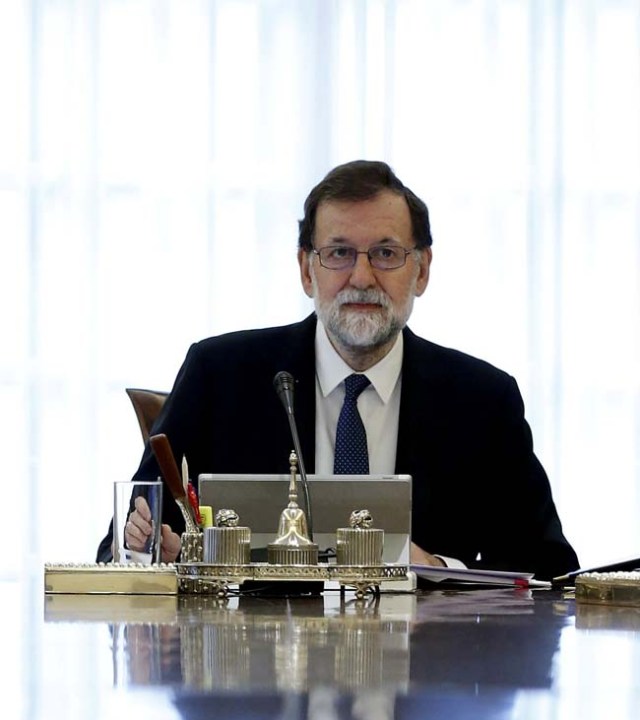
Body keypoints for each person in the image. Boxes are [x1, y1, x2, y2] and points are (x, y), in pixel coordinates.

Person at [98, 160, 578, 580]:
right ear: (308, 270)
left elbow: (549, 571)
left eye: (386, 254)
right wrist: (146, 550)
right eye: (339, 253)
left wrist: (438, 571)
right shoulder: (220, 377)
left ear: (422, 270)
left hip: (422, 670)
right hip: (252, 671)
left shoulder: (482, 401)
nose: (363, 277)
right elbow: (120, 548)